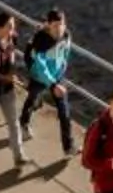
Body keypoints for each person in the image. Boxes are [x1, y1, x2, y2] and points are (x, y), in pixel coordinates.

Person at [21, 10, 78, 156]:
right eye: (56, 25)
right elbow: (41, 66)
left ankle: (68, 146)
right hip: (39, 77)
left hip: (56, 76)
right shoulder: (41, 42)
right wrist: (53, 84)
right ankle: (24, 122)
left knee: (64, 112)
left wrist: (62, 70)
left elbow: (65, 52)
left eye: (62, 25)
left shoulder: (66, 35)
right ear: (49, 25)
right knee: (32, 98)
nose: (59, 28)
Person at [0, 12, 28, 168]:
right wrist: (9, 78)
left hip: (7, 89)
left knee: (13, 122)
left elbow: (13, 56)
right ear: (0, 27)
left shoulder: (11, 39)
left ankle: (18, 155)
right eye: (10, 26)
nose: (13, 29)